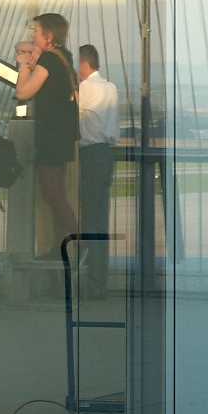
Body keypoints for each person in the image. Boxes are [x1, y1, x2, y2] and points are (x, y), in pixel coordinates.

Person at [14, 13, 79, 261]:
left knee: (53, 194)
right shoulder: (63, 56)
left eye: (36, 31)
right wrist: (33, 51)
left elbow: (23, 92)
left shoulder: (49, 61)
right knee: (56, 194)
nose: (32, 35)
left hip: (50, 137)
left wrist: (23, 64)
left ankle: (76, 241)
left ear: (48, 36)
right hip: (60, 136)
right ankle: (58, 245)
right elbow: (22, 45)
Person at [78, 44, 120, 299]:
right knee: (100, 219)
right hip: (106, 154)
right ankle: (98, 281)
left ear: (83, 64)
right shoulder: (111, 88)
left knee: (88, 219)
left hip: (88, 154)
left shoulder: (84, 89)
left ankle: (90, 282)